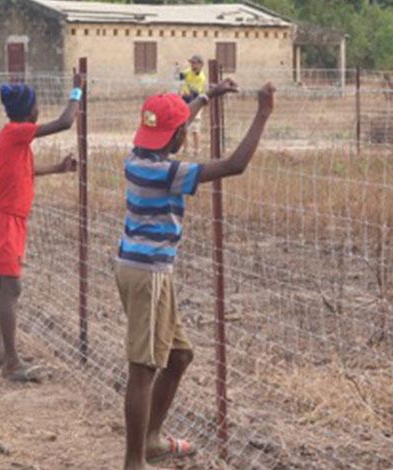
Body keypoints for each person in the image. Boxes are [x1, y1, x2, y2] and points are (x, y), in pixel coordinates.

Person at [117, 79, 274, 470]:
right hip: (148, 274)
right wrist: (262, 113)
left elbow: (175, 124)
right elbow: (234, 166)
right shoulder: (167, 173)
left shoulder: (137, 157)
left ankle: (152, 441)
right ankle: (133, 461)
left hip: (143, 269)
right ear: (180, 138)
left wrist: (207, 95)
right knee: (143, 368)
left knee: (180, 355)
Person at [0, 78, 82, 382]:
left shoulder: (13, 138)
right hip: (6, 220)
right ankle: (10, 361)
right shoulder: (17, 131)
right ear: (29, 111)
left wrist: (56, 168)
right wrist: (77, 92)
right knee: (11, 288)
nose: (40, 110)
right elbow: (65, 122)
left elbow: (24, 171)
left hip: (4, 218)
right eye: (37, 105)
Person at [177, 55, 207, 154]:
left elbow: (194, 93)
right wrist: (178, 71)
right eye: (191, 63)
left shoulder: (201, 77)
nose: (192, 65)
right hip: (185, 102)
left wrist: (185, 92)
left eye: (194, 63)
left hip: (196, 102)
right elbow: (180, 76)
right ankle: (185, 148)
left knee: (195, 127)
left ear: (200, 64)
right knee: (184, 126)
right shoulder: (188, 71)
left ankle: (197, 149)